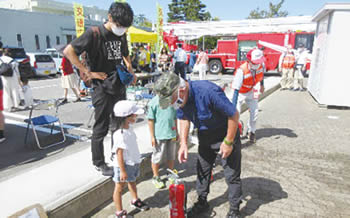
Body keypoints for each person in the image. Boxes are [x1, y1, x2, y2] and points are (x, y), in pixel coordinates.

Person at [154, 73, 242, 218]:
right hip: (205, 136)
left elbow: (234, 115)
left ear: (181, 90)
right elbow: (183, 118)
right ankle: (202, 202)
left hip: (225, 134)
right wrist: (183, 143)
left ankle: (234, 209)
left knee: (231, 174)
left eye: (170, 100)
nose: (170, 104)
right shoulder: (181, 99)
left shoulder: (208, 92)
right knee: (202, 171)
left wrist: (228, 142)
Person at [63, 2, 136, 176]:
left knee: (119, 123)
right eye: (119, 25)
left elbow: (125, 53)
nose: (121, 29)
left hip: (117, 83)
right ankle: (99, 162)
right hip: (101, 87)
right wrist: (88, 72)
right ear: (110, 18)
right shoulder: (94, 33)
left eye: (125, 27)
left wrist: (131, 70)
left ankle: (117, 155)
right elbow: (68, 51)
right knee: (101, 126)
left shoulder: (121, 34)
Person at [111, 100, 150, 218]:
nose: (137, 116)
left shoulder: (129, 128)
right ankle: (119, 212)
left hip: (132, 162)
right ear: (127, 117)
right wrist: (122, 171)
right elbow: (119, 154)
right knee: (119, 187)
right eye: (135, 114)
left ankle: (135, 200)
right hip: (123, 165)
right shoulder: (120, 134)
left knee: (132, 182)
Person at [231, 48, 265, 143]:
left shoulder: (260, 65)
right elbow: (236, 89)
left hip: (251, 91)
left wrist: (262, 85)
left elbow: (261, 75)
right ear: (249, 60)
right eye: (255, 62)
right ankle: (234, 133)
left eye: (258, 62)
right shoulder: (241, 70)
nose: (257, 64)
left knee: (255, 113)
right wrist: (233, 108)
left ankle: (251, 132)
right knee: (236, 114)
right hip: (240, 93)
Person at [147, 94, 178, 189]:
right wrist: (152, 136)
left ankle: (170, 172)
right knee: (157, 156)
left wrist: (177, 131)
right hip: (159, 135)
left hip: (171, 133)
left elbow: (175, 118)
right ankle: (156, 176)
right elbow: (150, 120)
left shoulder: (172, 101)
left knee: (171, 155)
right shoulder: (154, 102)